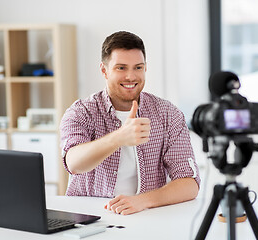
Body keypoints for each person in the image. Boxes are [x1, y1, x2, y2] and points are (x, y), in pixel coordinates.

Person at [60, 31, 200, 215]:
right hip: (90, 216)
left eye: (138, 67)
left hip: (146, 214)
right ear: (104, 70)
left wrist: (142, 201)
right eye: (121, 68)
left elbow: (189, 183)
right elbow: (73, 163)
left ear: (145, 68)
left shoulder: (168, 114)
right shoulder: (81, 112)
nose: (131, 76)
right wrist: (119, 137)